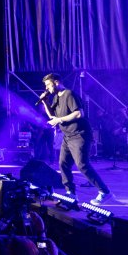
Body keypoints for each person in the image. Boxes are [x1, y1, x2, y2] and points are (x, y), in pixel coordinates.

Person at [39, 73, 112, 204]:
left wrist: (59, 119)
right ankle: (71, 193)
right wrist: (45, 101)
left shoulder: (69, 94)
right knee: (63, 164)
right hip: (68, 136)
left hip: (80, 134)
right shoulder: (56, 97)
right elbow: (52, 116)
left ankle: (104, 191)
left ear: (56, 82)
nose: (47, 88)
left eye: (48, 85)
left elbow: (79, 113)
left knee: (82, 165)